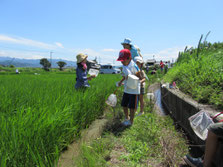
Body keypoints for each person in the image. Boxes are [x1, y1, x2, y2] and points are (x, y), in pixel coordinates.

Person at [117, 49, 140, 126]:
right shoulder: (124, 65)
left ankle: (131, 121)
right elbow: (124, 75)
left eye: (123, 60)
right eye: (121, 60)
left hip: (134, 89)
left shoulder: (134, 66)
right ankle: (127, 118)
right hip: (127, 88)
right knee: (124, 104)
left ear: (129, 58)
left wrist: (131, 77)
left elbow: (139, 75)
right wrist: (121, 81)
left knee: (132, 107)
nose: (122, 62)